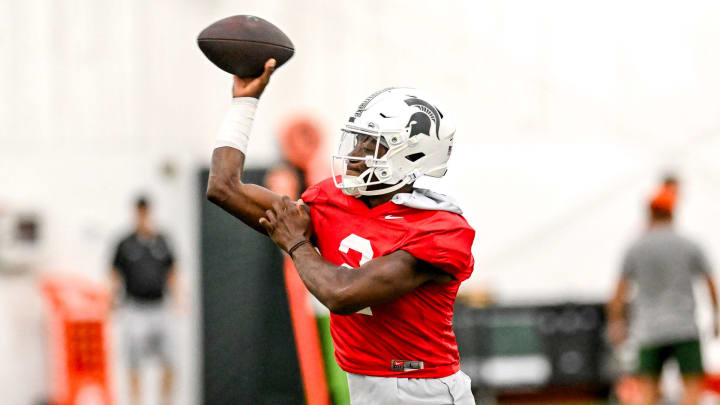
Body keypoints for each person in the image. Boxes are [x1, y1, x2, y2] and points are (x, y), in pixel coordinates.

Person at [206, 59, 476, 404]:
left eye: (371, 145)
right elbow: (224, 188)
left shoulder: (439, 230)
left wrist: (296, 243)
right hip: (362, 386)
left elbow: (343, 294)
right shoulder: (332, 200)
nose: (354, 154)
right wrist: (244, 102)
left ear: (410, 156)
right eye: (358, 141)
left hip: (423, 393)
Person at [608, 178, 719, 405]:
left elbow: (618, 293)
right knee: (691, 388)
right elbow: (710, 284)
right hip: (685, 328)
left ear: (649, 212)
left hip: (648, 331)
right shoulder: (689, 244)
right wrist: (716, 316)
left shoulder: (635, 246)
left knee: (648, 390)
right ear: (672, 212)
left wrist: (616, 324)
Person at [110, 196, 179, 405]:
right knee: (134, 361)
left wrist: (177, 297)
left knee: (170, 360)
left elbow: (172, 270)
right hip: (135, 309)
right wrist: (112, 298)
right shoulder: (125, 243)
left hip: (159, 307)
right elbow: (115, 273)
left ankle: (165, 401)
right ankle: (136, 401)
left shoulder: (162, 241)